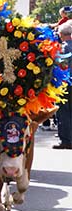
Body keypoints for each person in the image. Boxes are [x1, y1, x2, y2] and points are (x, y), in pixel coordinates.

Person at [53, 21, 72, 149]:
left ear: (61, 34)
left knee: (63, 112)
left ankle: (66, 140)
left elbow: (62, 66)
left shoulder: (64, 48)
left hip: (66, 83)